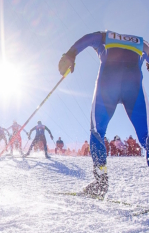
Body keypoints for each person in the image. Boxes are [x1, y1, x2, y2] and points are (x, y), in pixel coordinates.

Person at [59, 30, 149, 197]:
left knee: (97, 133)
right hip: (133, 87)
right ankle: (100, 182)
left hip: (108, 85)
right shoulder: (141, 43)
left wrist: (70, 55)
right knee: (147, 137)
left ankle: (101, 182)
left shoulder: (104, 36)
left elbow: (88, 39)